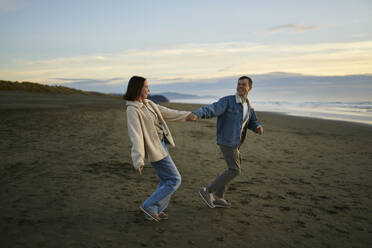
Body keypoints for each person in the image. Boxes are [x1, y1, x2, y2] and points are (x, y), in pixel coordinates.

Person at [187, 76, 264, 208]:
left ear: (249, 88)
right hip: (227, 140)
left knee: (234, 166)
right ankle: (207, 191)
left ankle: (218, 197)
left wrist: (257, 127)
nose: (240, 86)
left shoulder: (248, 106)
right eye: (239, 84)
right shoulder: (228, 101)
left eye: (243, 84)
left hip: (237, 142)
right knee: (235, 170)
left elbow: (252, 121)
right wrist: (198, 114)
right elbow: (212, 108)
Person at [124, 75, 192, 221]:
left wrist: (187, 115)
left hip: (162, 144)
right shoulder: (132, 109)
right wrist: (138, 159)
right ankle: (149, 206)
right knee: (174, 179)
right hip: (154, 148)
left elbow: (167, 112)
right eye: (146, 87)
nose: (148, 89)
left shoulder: (149, 104)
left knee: (165, 181)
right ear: (138, 88)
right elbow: (135, 135)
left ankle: (156, 209)